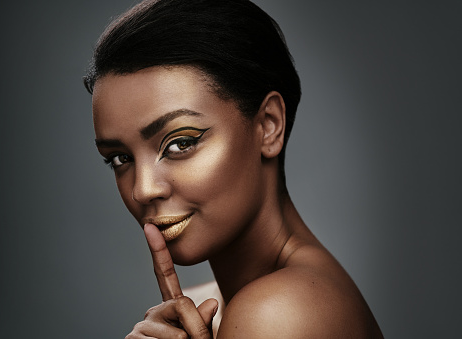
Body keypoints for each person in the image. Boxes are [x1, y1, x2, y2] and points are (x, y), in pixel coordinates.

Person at [84, 0, 383, 337]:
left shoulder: (278, 313)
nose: (143, 189)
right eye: (120, 159)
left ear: (268, 125)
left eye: (180, 143)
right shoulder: (203, 309)